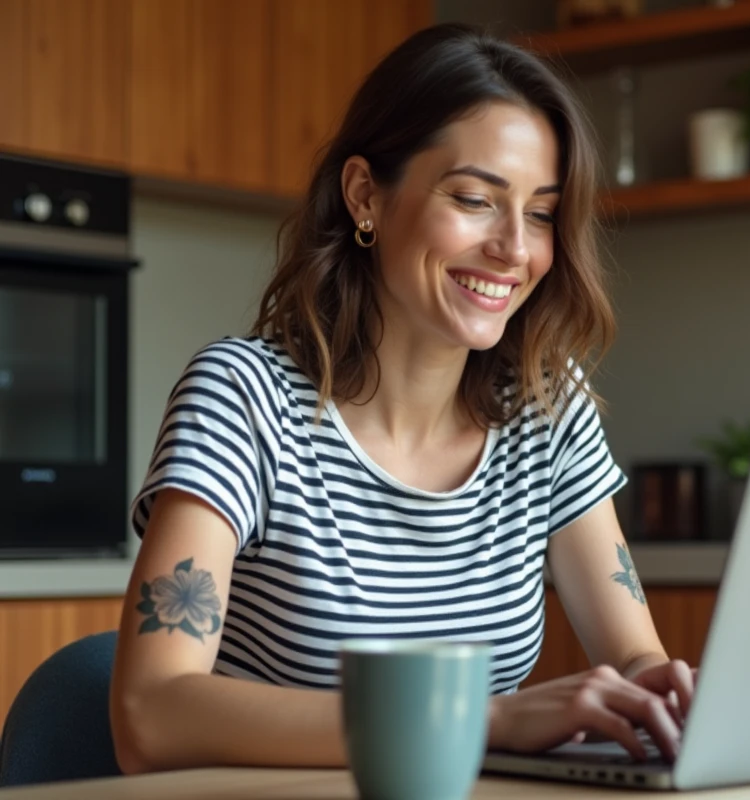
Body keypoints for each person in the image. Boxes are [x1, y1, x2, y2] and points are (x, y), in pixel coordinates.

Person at [108, 22, 695, 774]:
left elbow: (637, 655)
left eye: (541, 213)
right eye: (475, 199)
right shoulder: (243, 399)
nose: (515, 249)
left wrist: (664, 693)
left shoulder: (547, 409)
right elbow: (149, 713)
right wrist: (482, 719)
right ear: (365, 196)